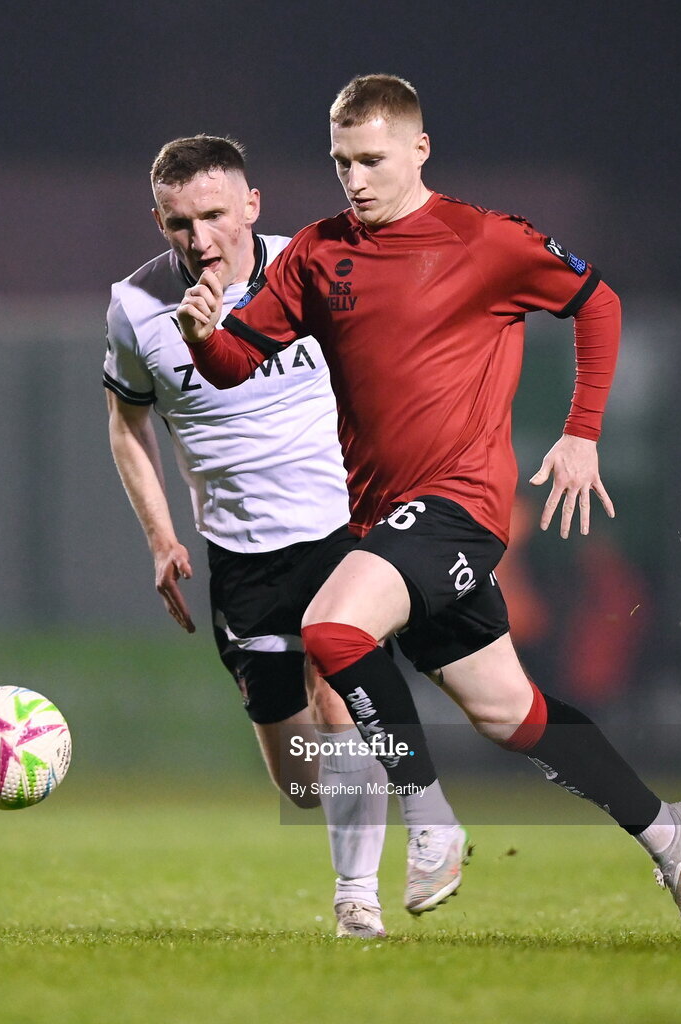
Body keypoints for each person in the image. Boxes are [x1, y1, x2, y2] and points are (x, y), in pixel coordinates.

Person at [177, 78, 681, 940]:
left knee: (334, 631)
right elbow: (241, 361)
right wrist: (207, 338)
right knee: (512, 713)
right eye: (341, 161)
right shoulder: (319, 253)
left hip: (462, 507)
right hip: (383, 518)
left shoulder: (485, 240)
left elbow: (597, 302)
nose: (354, 179)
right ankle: (666, 831)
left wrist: (582, 432)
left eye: (372, 160)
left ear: (419, 151)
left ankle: (432, 822)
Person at [103, 134, 468, 938]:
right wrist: (162, 536)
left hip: (344, 532)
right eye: (178, 224)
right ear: (158, 220)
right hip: (242, 559)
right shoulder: (136, 307)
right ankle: (377, 819)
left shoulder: (318, 269)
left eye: (214, 216)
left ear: (252, 207)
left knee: (341, 706)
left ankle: (357, 898)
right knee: (303, 783)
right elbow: (127, 424)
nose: (200, 241)